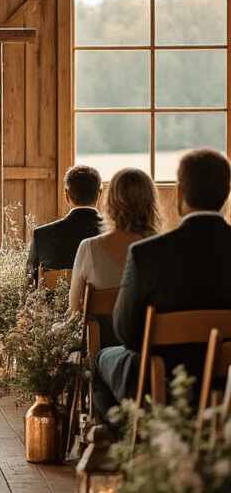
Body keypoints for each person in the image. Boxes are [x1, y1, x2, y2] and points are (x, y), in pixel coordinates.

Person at [93, 148, 231, 421]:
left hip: (159, 381)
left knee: (101, 359)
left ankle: (127, 444)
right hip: (226, 381)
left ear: (180, 193)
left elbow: (126, 333)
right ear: (227, 194)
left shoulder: (147, 254)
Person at [69, 167, 163, 345]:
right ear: (151, 202)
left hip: (103, 351)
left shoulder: (90, 248)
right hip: (151, 349)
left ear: (110, 202)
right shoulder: (165, 248)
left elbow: (75, 311)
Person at [26, 164, 103, 285]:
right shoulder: (113, 233)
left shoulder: (42, 235)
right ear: (99, 194)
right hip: (103, 304)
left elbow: (29, 283)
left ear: (66, 195)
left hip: (57, 303)